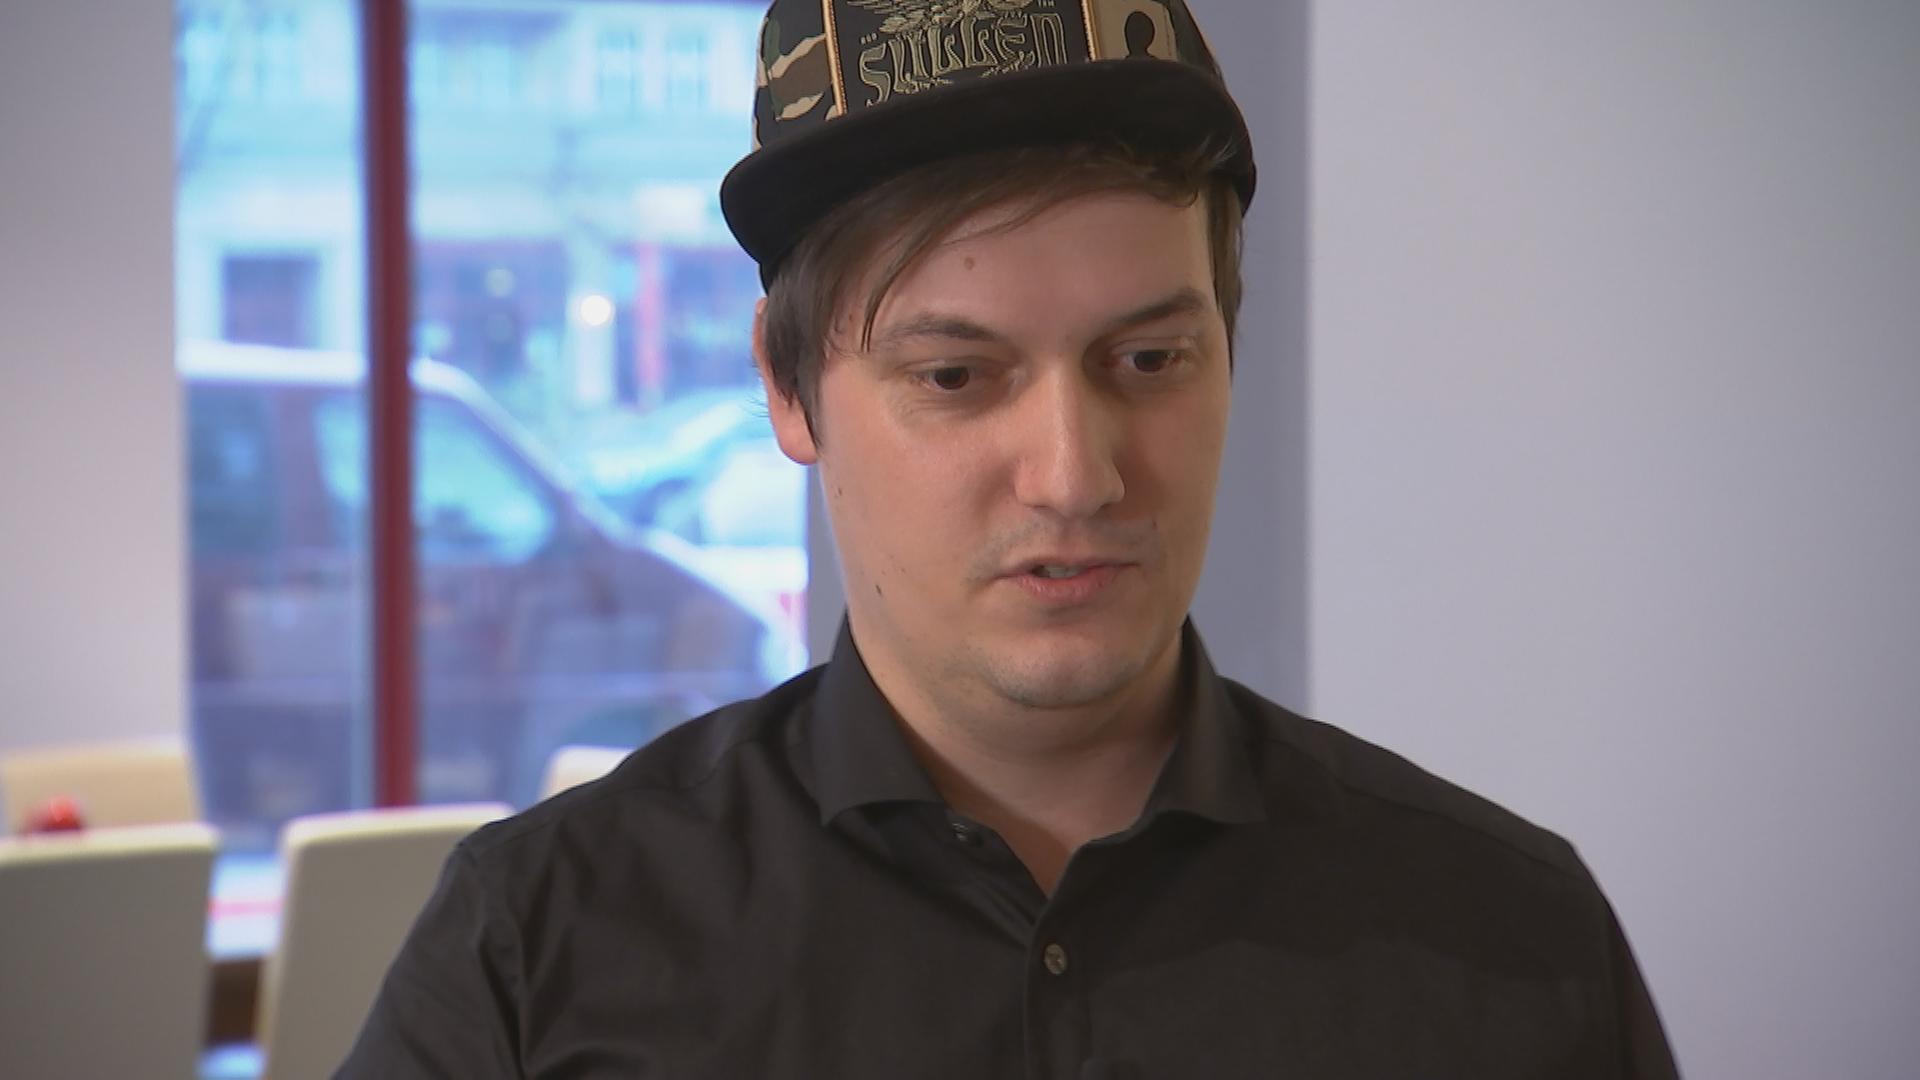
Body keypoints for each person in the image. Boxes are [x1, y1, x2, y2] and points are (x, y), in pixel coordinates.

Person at [341, 1, 1680, 1076]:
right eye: (955, 376)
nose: (1076, 475)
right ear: (789, 390)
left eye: (1148, 359)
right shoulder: (538, 951)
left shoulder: (1509, 939)